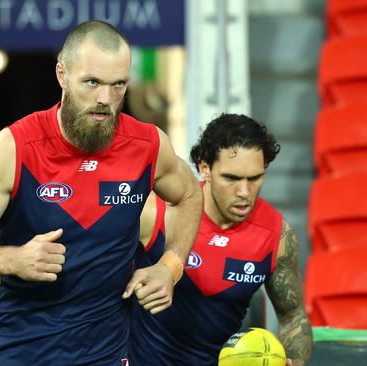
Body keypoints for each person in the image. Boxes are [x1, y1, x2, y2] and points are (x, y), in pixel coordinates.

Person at [0, 20, 203, 365]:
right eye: (91, 83)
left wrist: (170, 266)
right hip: (19, 351)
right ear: (62, 74)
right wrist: (13, 260)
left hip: (104, 353)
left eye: (118, 85)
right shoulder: (17, 146)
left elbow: (190, 195)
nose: (105, 99)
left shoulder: (147, 145)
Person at [130, 113, 313, 365]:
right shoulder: (155, 213)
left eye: (255, 178)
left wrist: (296, 361)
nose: (243, 192)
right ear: (205, 168)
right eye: (232, 178)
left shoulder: (277, 236)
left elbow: (293, 316)